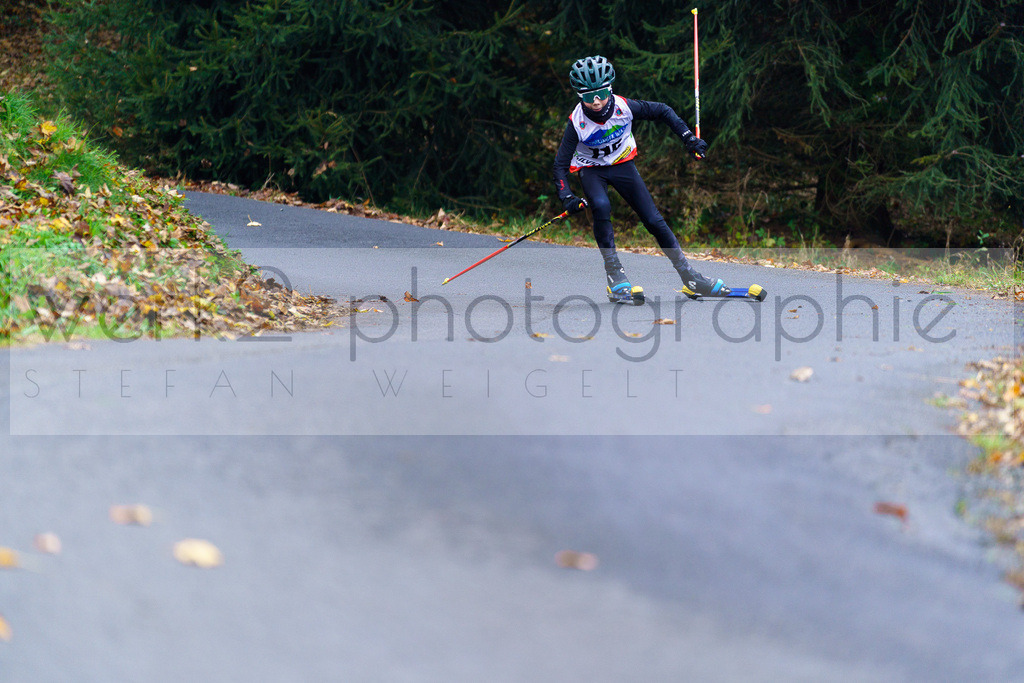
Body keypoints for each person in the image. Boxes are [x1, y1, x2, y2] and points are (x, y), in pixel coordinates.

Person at [552, 54, 725, 304]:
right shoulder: (577, 122)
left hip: (622, 164)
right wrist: (566, 196)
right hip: (592, 170)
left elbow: (664, 111)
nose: (597, 101)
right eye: (589, 97)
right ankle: (615, 277)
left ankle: (690, 276)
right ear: (580, 96)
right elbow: (559, 165)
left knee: (653, 220)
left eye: (601, 94)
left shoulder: (624, 107)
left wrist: (689, 138)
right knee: (600, 206)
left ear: (610, 89)